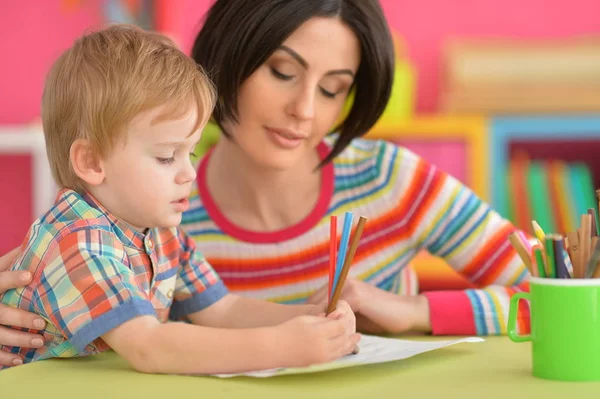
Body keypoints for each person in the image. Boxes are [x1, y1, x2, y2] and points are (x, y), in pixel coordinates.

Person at [0, 0, 531, 367]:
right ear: (231, 58)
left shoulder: (393, 179)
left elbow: (566, 296)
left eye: (333, 89)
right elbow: (144, 345)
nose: (304, 111)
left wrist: (413, 312)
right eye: (282, 71)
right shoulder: (156, 211)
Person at [0, 24, 358, 372]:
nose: (189, 174)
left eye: (192, 154)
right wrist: (282, 347)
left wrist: (307, 318)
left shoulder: (160, 234)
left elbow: (223, 310)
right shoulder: (78, 240)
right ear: (92, 162)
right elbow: (148, 347)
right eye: (166, 156)